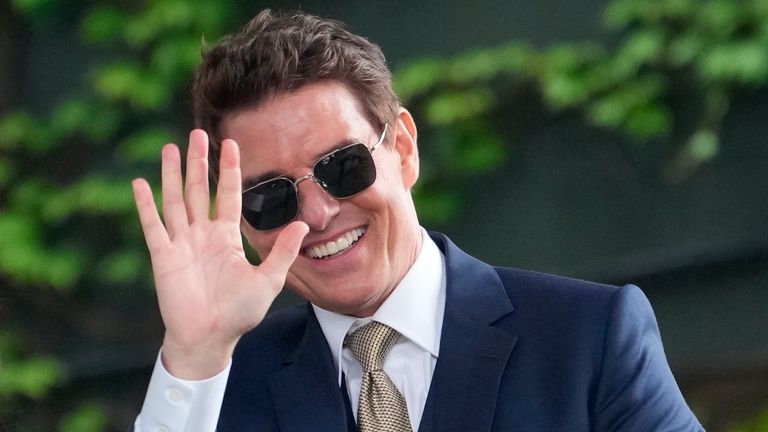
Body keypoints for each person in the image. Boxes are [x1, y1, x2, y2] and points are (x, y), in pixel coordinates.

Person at [131, 9, 704, 432]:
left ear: (403, 148)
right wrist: (197, 355)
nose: (318, 214)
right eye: (272, 197)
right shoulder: (214, 384)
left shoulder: (589, 340)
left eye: (342, 166)